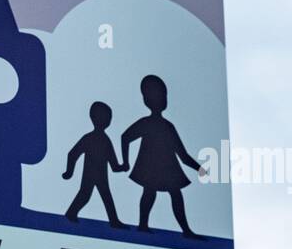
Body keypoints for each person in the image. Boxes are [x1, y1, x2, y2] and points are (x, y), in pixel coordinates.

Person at [121, 74, 205, 237]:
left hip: (168, 168)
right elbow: (125, 137)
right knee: (150, 191)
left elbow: (182, 154)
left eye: (163, 95)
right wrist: (126, 162)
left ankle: (185, 230)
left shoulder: (168, 126)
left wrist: (200, 168)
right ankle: (143, 225)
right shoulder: (147, 123)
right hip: (151, 167)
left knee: (174, 193)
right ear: (146, 100)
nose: (161, 99)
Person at [62, 101, 126, 225]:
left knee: (105, 196)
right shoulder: (89, 138)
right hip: (90, 174)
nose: (107, 120)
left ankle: (113, 220)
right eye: (104, 117)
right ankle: (71, 213)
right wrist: (69, 172)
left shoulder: (106, 140)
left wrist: (121, 167)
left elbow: (113, 165)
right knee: (86, 194)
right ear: (93, 117)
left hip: (101, 175)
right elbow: (72, 154)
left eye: (108, 118)